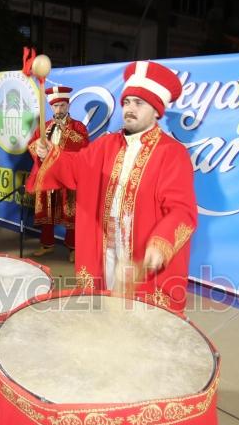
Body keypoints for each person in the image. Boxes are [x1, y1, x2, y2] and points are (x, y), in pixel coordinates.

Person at [30, 61, 197, 313]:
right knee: (104, 305)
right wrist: (50, 154)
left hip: (141, 246)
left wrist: (162, 242)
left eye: (139, 103)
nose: (129, 109)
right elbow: (75, 167)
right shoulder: (106, 144)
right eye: (127, 102)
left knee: (141, 317)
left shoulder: (172, 154)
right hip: (103, 243)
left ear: (156, 111)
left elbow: (182, 210)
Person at [27, 86, 89, 261]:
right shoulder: (44, 126)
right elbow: (32, 145)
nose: (59, 110)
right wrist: (37, 150)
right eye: (55, 106)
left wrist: (66, 130)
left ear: (68, 106)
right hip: (48, 174)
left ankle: (73, 247)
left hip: (68, 175)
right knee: (47, 210)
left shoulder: (78, 126)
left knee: (70, 210)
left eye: (62, 105)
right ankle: (47, 244)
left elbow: (84, 146)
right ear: (51, 108)